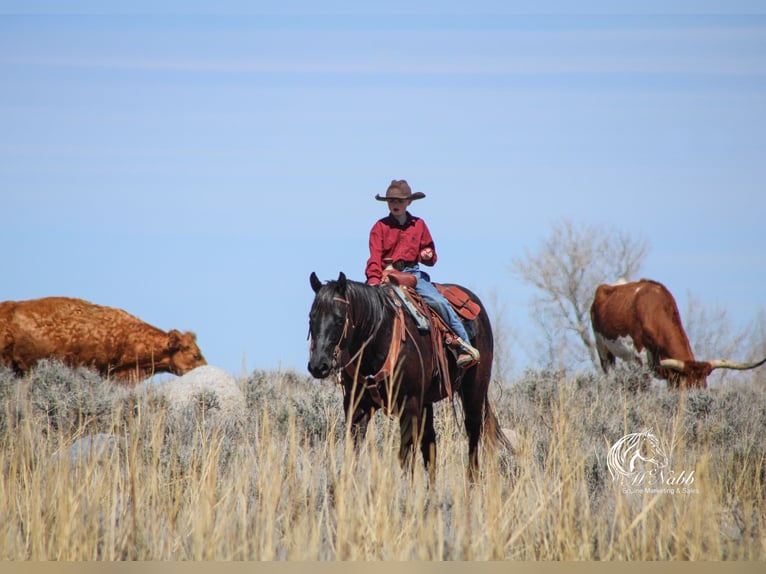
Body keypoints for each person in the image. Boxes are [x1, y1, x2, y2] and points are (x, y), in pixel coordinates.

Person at [365, 179, 481, 368]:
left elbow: (431, 256)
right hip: (384, 276)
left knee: (438, 302)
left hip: (413, 275)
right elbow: (374, 258)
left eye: (400, 201)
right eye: (392, 201)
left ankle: (464, 345)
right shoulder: (379, 227)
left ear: (409, 202)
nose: (395, 205)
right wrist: (373, 281)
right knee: (362, 310)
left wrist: (426, 254)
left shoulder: (419, 225)